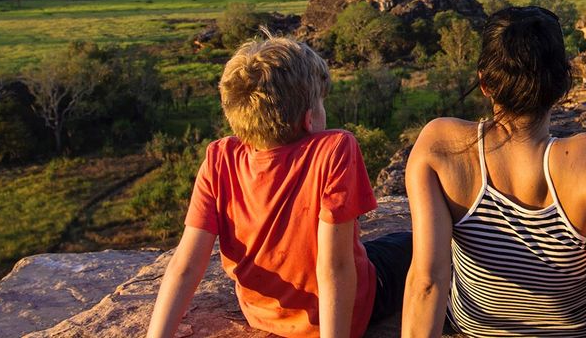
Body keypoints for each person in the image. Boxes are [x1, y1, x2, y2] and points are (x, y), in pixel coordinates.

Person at [400, 6, 586, 337]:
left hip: (478, 330)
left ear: (485, 83)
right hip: (577, 332)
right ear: (562, 85)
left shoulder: (440, 145)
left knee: (399, 248)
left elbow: (427, 283)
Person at [148, 37, 407, 338]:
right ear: (309, 119)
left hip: (261, 315)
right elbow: (335, 266)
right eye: (321, 103)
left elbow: (186, 265)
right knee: (416, 245)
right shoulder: (334, 149)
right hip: (343, 314)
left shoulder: (220, 157)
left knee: (380, 245)